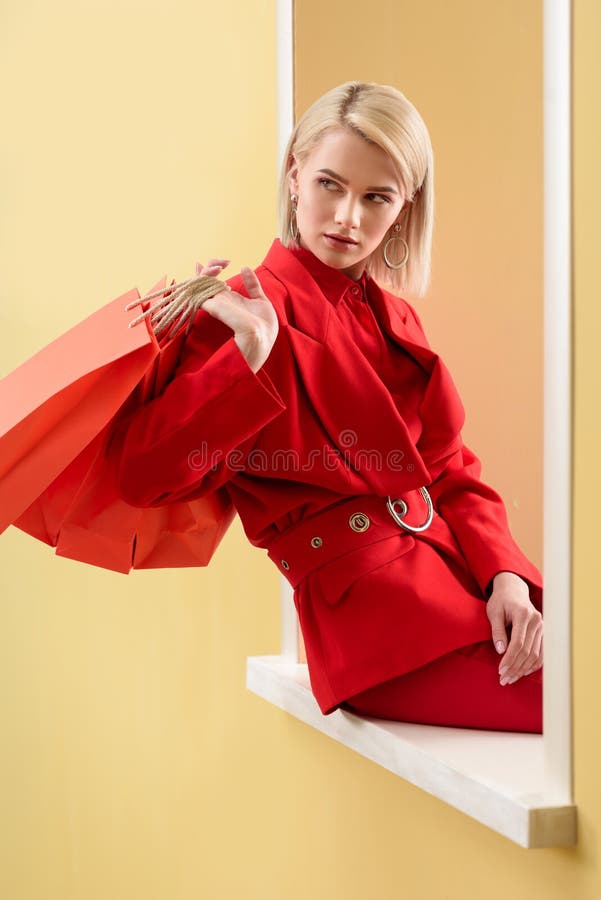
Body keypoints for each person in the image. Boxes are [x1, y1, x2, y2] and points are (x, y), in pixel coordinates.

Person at [108, 80, 544, 733]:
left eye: (376, 197)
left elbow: (451, 472)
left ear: (404, 208)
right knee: (580, 717)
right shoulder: (238, 311)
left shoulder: (393, 316)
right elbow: (144, 473)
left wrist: (503, 576)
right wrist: (249, 353)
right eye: (329, 185)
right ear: (293, 178)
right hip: (375, 626)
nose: (347, 217)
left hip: (457, 582)